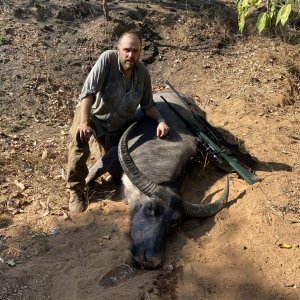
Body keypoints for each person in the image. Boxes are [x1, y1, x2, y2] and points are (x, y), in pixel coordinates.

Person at [66, 31, 170, 213]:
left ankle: (104, 168)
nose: (131, 55)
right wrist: (84, 122)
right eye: (127, 50)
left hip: (116, 128)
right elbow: (88, 93)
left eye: (135, 51)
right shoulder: (107, 60)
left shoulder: (143, 74)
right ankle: (76, 190)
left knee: (119, 171)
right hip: (94, 116)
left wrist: (161, 120)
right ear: (118, 50)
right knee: (80, 138)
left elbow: (148, 106)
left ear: (140, 53)